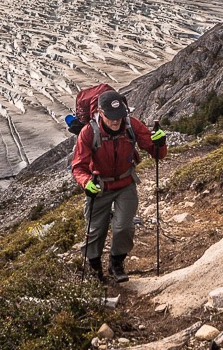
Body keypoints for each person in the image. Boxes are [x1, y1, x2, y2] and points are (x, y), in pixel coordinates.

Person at [71, 89, 168, 283]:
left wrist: (160, 143)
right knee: (95, 230)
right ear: (100, 113)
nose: (116, 121)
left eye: (119, 116)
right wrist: (86, 183)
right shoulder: (89, 132)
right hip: (99, 186)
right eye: (111, 117)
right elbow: (78, 166)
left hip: (125, 183)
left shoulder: (132, 125)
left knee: (124, 227)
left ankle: (116, 263)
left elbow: (157, 154)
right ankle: (95, 267)